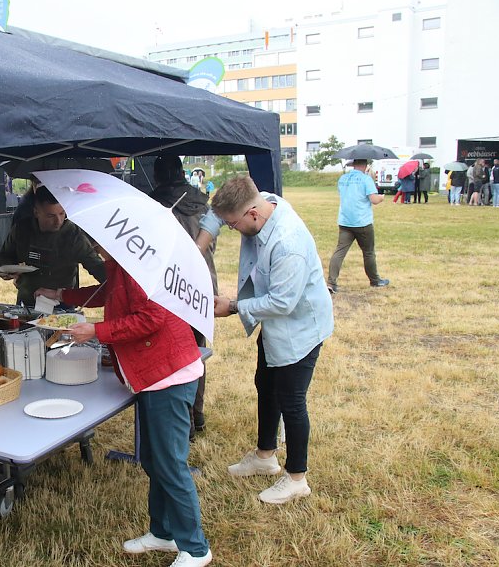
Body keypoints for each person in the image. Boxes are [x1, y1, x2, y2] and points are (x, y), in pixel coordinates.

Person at [36, 248, 213, 567]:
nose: (93, 246)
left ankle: (196, 548)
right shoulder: (122, 263)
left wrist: (96, 331)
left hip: (168, 375)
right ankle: (163, 532)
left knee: (170, 464)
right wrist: (62, 293)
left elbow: (151, 318)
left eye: (96, 241)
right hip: (154, 376)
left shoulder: (138, 265)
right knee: (153, 459)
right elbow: (108, 292)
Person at [209, 175, 334, 504]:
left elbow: (282, 303)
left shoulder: (288, 244)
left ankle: (296, 478)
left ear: (251, 215)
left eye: (233, 225)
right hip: (277, 327)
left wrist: (234, 306)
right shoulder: (260, 202)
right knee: (266, 384)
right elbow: (218, 214)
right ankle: (265, 457)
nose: (232, 230)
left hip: (300, 329)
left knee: (292, 401)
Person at [150, 154, 218, 439]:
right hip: (203, 285)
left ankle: (185, 423)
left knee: (176, 356)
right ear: (181, 172)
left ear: (157, 176)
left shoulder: (153, 204)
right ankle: (197, 414)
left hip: (174, 288)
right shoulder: (203, 201)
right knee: (196, 352)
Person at [0, 185, 106, 308]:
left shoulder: (73, 235)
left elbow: (97, 267)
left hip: (62, 306)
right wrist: (7, 271)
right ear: (36, 212)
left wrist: (119, 283)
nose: (58, 221)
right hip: (27, 304)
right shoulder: (22, 229)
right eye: (50, 216)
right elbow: (5, 256)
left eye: (62, 213)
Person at [326, 159, 389, 293]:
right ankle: (375, 280)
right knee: (368, 252)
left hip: (345, 221)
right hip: (362, 222)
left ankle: (331, 282)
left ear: (353, 164)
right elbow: (374, 200)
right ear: (366, 166)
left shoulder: (343, 179)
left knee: (339, 252)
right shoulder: (366, 180)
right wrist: (382, 197)